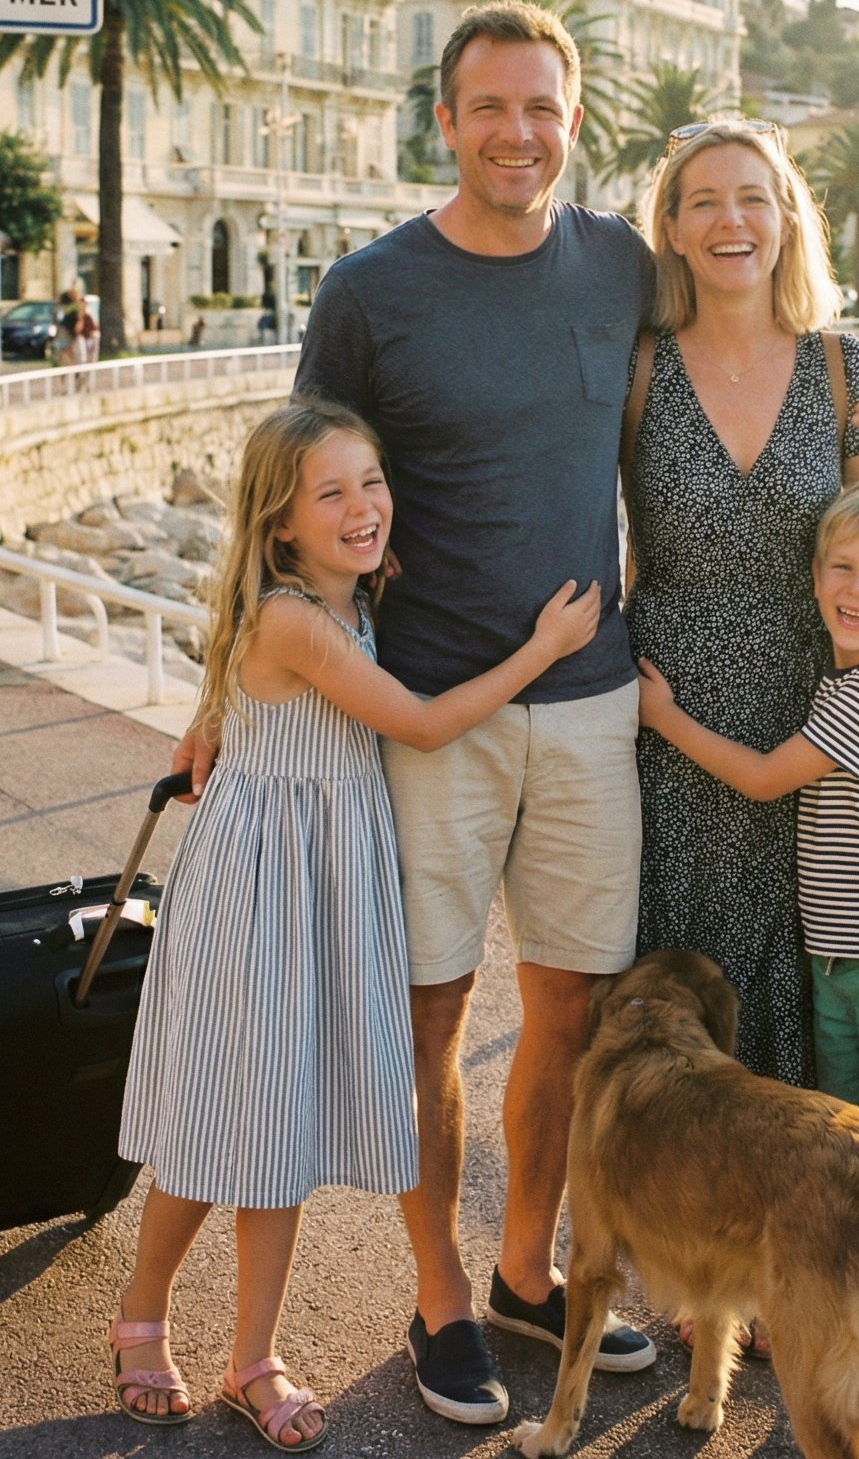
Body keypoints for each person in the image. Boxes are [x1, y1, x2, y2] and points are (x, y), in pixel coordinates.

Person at [187, 0, 859, 1428]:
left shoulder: (619, 269)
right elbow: (289, 501)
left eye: (543, 108)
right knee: (431, 1017)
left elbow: (746, 322)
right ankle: (441, 1293)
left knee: (573, 1016)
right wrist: (221, 700)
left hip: (597, 708)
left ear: (575, 123)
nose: (517, 133)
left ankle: (529, 1270)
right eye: (489, 108)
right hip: (431, 714)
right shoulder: (372, 291)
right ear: (444, 120)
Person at [112, 397, 604, 1439]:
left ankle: (253, 1356)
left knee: (276, 1129)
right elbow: (421, 725)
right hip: (257, 894)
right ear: (279, 523)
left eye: (371, 481)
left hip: (311, 888)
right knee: (213, 1129)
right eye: (329, 492)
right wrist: (544, 645)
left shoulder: (349, 602)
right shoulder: (294, 619)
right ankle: (140, 1313)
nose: (362, 506)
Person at [624, 120, 859, 1093]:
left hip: (812, 735)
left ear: (784, 220)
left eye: (751, 197)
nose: (729, 219)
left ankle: (789, 1235)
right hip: (667, 730)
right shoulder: (635, 367)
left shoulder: (843, 368)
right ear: (673, 228)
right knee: (671, 991)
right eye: (702, 201)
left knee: (801, 992)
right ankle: (666, 1227)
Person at [635, 475, 859, 1402]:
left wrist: (664, 716)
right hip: (840, 965)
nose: (857, 589)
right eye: (841, 566)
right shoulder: (851, 676)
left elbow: (760, 779)